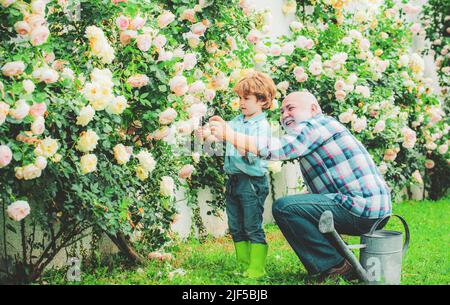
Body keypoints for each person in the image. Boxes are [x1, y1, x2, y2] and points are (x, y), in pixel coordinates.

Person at [209, 91, 392, 282]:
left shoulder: (316, 124)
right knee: (299, 208)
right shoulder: (323, 128)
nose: (285, 114)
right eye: (282, 111)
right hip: (368, 209)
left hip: (361, 207)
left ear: (313, 109)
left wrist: (229, 134)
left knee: (285, 208)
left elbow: (279, 149)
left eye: (291, 108)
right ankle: (342, 261)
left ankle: (335, 266)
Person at [196, 71, 276, 278]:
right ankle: (244, 265)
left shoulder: (262, 126)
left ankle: (257, 269)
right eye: (239, 98)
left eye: (246, 98)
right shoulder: (237, 121)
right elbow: (221, 135)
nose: (241, 102)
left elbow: (251, 154)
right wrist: (210, 130)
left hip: (252, 182)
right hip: (233, 181)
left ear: (262, 101)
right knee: (236, 226)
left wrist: (229, 136)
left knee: (252, 226)